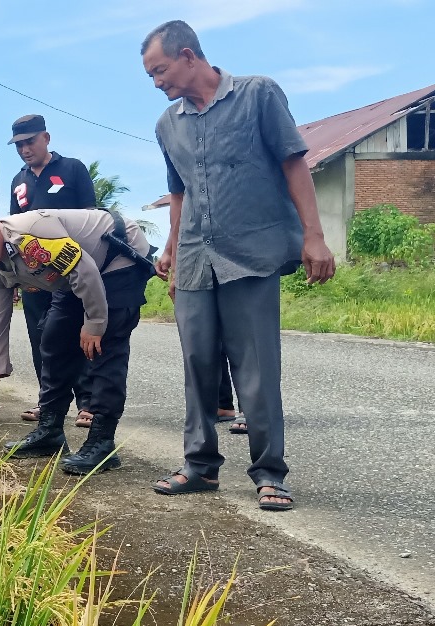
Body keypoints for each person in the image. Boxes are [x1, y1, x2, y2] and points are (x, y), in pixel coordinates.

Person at [142, 20, 335, 510]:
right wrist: (171, 247)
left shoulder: (258, 95)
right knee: (196, 364)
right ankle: (200, 467)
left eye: (160, 70)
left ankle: (270, 473)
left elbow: (294, 162)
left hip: (251, 254)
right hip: (193, 258)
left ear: (189, 56)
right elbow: (179, 190)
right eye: (151, 74)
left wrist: (314, 235)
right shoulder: (168, 124)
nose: (156, 81)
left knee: (256, 367)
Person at [0, 203, 156, 475]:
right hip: (76, 271)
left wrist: (94, 324)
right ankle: (50, 432)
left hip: (117, 252)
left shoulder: (32, 232)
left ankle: (102, 442)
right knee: (53, 339)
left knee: (105, 345)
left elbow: (85, 270)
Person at [6, 114, 99, 427]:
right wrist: (17, 278)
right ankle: (47, 401)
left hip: (71, 270)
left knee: (77, 334)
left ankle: (88, 402)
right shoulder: (18, 181)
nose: (24, 149)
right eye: (18, 145)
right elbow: (11, 229)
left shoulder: (72, 169)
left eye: (29, 142)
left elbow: (91, 219)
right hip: (34, 274)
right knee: (40, 336)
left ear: (46, 137)